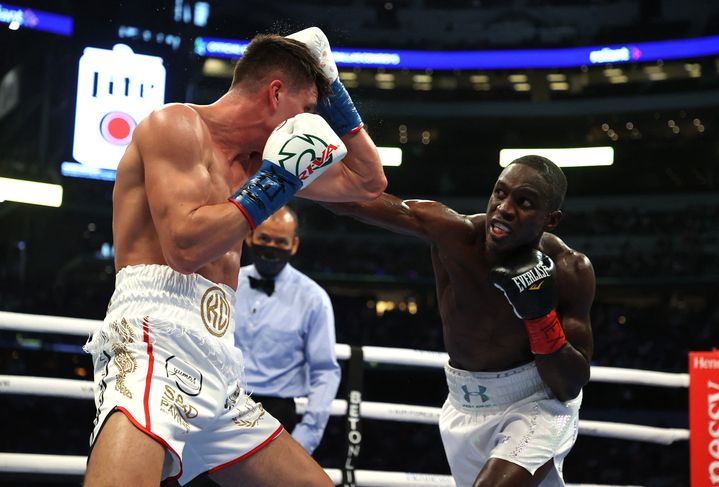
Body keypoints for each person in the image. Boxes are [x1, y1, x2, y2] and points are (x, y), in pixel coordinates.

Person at [83, 27, 386, 487]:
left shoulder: (261, 160)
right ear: (275, 93)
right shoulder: (176, 126)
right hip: (153, 339)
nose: (310, 123)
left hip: (220, 357)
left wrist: (332, 86)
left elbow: (368, 181)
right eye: (306, 109)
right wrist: (276, 181)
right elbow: (184, 247)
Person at [324, 155, 594, 487]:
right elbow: (349, 203)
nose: (505, 208)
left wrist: (538, 316)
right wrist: (275, 173)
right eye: (500, 193)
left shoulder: (570, 270)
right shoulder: (455, 236)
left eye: (524, 202)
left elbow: (570, 384)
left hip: (537, 403)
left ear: (551, 219)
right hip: (464, 403)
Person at [236, 206, 340, 454]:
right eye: (264, 239)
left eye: (280, 241)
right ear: (249, 236)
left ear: (293, 245)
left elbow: (325, 371)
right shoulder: (225, 283)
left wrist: (307, 434)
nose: (271, 246)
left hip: (276, 413)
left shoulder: (313, 298)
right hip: (219, 404)